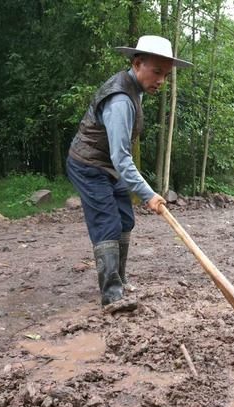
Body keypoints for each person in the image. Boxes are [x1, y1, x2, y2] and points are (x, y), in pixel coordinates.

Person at [66, 35, 192, 307]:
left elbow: (119, 157)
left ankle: (119, 280)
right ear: (137, 64)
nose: (161, 80)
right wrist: (149, 194)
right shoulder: (121, 100)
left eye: (166, 75)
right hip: (89, 165)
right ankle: (112, 297)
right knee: (107, 224)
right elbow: (121, 156)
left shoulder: (136, 89)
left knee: (125, 219)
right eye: (157, 72)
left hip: (110, 167)